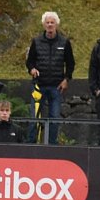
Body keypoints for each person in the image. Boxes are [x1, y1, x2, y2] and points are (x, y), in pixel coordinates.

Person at [26, 11, 74, 144]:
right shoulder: (36, 41)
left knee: (54, 117)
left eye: (52, 22)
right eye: (47, 22)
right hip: (39, 86)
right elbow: (29, 62)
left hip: (56, 86)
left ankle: (52, 145)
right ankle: (31, 144)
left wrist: (66, 79)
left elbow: (70, 63)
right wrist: (32, 69)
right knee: (34, 116)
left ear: (57, 24)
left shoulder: (64, 42)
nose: (50, 25)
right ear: (43, 24)